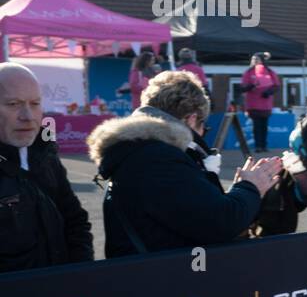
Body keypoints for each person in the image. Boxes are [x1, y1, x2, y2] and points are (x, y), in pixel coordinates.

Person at [88, 71, 280, 258]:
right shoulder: (159, 159)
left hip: (140, 273)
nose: (204, 132)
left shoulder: (139, 150)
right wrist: (250, 187)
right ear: (192, 118)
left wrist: (236, 193)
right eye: (204, 126)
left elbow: (189, 212)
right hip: (160, 280)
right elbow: (219, 224)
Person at [0, 63, 93, 273]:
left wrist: (80, 274)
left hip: (61, 296)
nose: (28, 115)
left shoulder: (45, 154)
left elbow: (75, 221)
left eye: (35, 103)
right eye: (13, 104)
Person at [239, 52, 280, 152]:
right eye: (253, 59)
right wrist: (251, 86)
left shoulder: (269, 72)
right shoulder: (248, 72)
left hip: (265, 105)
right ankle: (258, 146)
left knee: (264, 126)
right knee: (256, 125)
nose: (255, 61)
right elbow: (242, 87)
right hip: (253, 104)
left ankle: (264, 145)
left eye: (257, 59)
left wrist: (268, 92)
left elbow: (276, 86)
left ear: (262, 60)